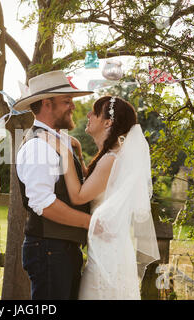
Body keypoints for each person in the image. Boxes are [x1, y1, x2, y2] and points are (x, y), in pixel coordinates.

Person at [39, 95, 161, 299]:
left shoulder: (111, 160)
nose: (88, 115)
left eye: (94, 113)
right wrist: (77, 153)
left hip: (107, 249)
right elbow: (95, 185)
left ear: (108, 122)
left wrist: (65, 154)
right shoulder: (112, 157)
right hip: (109, 243)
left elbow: (79, 196)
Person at [13, 70, 94, 300]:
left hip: (60, 251)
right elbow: (44, 204)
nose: (73, 107)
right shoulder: (39, 146)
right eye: (67, 101)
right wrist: (92, 223)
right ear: (47, 104)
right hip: (49, 251)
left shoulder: (58, 142)